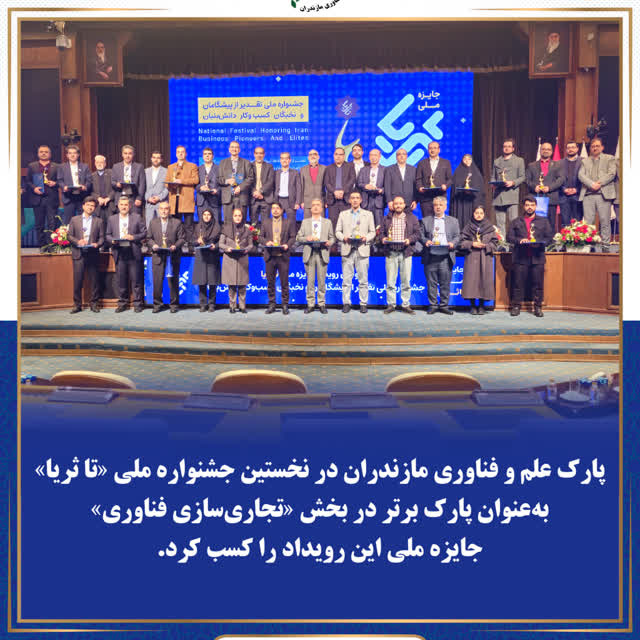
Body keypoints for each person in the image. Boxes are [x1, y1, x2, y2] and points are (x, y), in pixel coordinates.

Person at [506, 196, 554, 317]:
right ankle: (516, 306)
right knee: (518, 283)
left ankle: (538, 307)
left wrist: (539, 242)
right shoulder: (516, 221)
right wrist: (519, 240)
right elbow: (509, 237)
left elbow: (549, 238)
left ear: (536, 206)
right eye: (527, 205)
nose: (529, 207)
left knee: (538, 284)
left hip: (537, 257)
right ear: (523, 206)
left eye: (532, 205)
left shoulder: (544, 221)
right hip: (520, 257)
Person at [335, 191, 376, 314]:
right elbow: (337, 231)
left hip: (362, 249)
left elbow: (372, 232)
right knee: (346, 280)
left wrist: (366, 238)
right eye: (352, 198)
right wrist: (344, 238)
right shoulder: (343, 214)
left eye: (357, 198)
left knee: (363, 280)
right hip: (347, 249)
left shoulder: (368, 214)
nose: (355, 200)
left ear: (361, 200)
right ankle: (346, 303)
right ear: (349, 200)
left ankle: (363, 303)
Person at [106, 195, 147, 313]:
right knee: (121, 280)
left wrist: (133, 237)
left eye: (126, 205)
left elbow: (144, 233)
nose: (124, 207)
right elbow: (107, 235)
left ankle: (138, 304)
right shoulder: (112, 219)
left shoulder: (137, 217)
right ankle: (122, 303)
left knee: (136, 280)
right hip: (119, 252)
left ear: (129, 206)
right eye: (121, 205)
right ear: (118, 206)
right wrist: (112, 240)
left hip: (133, 252)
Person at [380, 196, 420, 314]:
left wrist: (410, 240)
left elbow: (418, 233)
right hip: (391, 252)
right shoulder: (387, 218)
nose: (398, 205)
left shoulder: (412, 218)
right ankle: (391, 305)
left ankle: (405, 304)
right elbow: (381, 233)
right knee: (390, 281)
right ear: (393, 205)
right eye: (396, 204)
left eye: (400, 203)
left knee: (406, 281)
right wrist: (383, 238)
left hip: (405, 252)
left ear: (404, 205)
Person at [421, 195, 460, 315]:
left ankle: (444, 305)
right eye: (436, 205)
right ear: (433, 207)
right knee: (431, 283)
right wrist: (426, 241)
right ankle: (432, 305)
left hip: (446, 256)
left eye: (440, 205)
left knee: (445, 283)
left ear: (445, 207)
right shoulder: (425, 220)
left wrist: (453, 243)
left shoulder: (453, 221)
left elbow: (457, 236)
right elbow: (421, 235)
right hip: (431, 256)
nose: (438, 207)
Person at [578, 137, 617, 252]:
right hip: (588, 195)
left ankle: (606, 247)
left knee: (605, 221)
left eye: (597, 146)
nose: (595, 148)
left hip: (603, 195)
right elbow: (581, 175)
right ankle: (589, 246)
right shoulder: (585, 161)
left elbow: (611, 174)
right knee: (588, 222)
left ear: (602, 147)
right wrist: (591, 184)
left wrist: (599, 184)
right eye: (593, 146)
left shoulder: (610, 158)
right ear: (590, 148)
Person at [296, 198, 335, 314]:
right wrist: (306, 238)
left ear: (322, 208)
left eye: (318, 205)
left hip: (322, 252)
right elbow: (298, 238)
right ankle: (311, 304)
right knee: (310, 281)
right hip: (310, 252)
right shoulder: (305, 222)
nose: (316, 207)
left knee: (322, 281)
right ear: (311, 208)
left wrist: (329, 242)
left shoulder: (327, 222)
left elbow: (332, 237)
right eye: (313, 205)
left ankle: (321, 304)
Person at [146, 200, 185, 314]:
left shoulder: (177, 222)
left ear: (169, 210)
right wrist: (153, 245)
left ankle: (174, 305)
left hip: (172, 256)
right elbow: (148, 238)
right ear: (159, 210)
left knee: (173, 282)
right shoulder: (153, 222)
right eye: (161, 209)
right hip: (158, 256)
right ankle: (157, 304)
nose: (164, 211)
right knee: (157, 282)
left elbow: (182, 238)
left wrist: (175, 246)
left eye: (166, 209)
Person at [459, 205, 498, 315]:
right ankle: (472, 306)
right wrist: (472, 244)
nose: (479, 215)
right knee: (471, 281)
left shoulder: (489, 227)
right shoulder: (468, 227)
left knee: (484, 280)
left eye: (481, 213)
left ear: (484, 214)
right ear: (473, 214)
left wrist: (486, 246)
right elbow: (461, 242)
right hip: (472, 256)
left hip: (485, 256)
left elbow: (495, 243)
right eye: (476, 213)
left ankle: (481, 306)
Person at [67, 197, 104, 313]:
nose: (90, 207)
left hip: (93, 253)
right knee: (78, 281)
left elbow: (102, 238)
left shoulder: (99, 221)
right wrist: (78, 241)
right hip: (79, 254)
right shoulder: (74, 219)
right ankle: (77, 305)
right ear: (83, 206)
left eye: (92, 206)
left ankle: (94, 304)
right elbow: (69, 236)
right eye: (88, 205)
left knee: (94, 281)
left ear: (95, 208)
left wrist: (97, 244)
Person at [259, 202, 297, 315]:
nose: (275, 210)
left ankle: (285, 305)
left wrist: (287, 245)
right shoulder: (266, 222)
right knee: (270, 282)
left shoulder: (288, 222)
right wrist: (266, 242)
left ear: (281, 210)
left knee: (284, 282)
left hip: (283, 256)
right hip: (270, 257)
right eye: (273, 208)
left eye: (277, 208)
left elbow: (293, 237)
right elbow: (260, 237)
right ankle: (272, 304)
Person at [219, 208, 252, 313]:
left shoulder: (247, 230)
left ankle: (242, 307)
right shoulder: (226, 228)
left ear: (242, 217)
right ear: (232, 217)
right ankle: (232, 306)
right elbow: (220, 244)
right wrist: (227, 248)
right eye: (235, 216)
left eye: (239, 216)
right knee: (231, 284)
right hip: (230, 258)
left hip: (242, 258)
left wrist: (246, 249)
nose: (237, 218)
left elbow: (251, 245)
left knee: (242, 284)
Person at [26, 144, 59, 247]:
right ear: (38, 154)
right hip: (37, 199)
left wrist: (55, 183)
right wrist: (34, 188)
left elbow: (61, 181)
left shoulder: (57, 166)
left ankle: (51, 245)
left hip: (51, 199)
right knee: (39, 224)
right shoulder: (32, 166)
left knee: (52, 224)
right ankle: (42, 246)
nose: (43, 153)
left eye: (46, 152)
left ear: (50, 154)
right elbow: (28, 181)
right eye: (41, 152)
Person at [491, 138, 525, 240]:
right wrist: (493, 183)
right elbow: (493, 176)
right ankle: (502, 243)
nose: (506, 148)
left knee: (513, 222)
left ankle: (513, 242)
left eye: (509, 146)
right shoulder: (497, 161)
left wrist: (513, 182)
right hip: (499, 196)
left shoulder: (519, 160)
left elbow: (522, 177)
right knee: (500, 223)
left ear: (513, 148)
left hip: (512, 195)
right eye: (505, 146)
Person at [525, 141, 563, 227]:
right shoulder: (531, 165)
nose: (546, 151)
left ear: (552, 151)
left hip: (551, 198)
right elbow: (526, 179)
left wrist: (549, 188)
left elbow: (561, 180)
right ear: (540, 150)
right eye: (544, 149)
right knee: (536, 224)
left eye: (548, 149)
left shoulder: (558, 165)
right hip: (536, 199)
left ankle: (550, 237)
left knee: (551, 224)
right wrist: (534, 187)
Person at [166, 145, 198, 246]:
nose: (180, 153)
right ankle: (176, 247)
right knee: (176, 226)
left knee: (188, 226)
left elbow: (195, 180)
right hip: (174, 200)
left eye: (182, 152)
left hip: (187, 200)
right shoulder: (171, 167)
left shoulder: (192, 166)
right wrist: (172, 185)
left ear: (186, 154)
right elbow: (166, 183)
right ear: (176, 154)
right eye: (178, 152)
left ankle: (190, 247)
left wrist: (181, 181)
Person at [192, 208, 221, 312]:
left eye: (209, 214)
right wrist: (197, 241)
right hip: (201, 256)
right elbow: (192, 241)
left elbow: (221, 241)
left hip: (212, 255)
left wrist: (215, 246)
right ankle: (203, 304)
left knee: (212, 281)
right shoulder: (197, 227)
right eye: (204, 214)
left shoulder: (217, 227)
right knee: (202, 281)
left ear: (212, 216)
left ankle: (212, 304)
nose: (206, 216)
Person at [218, 141, 254, 222]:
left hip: (241, 197)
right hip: (227, 198)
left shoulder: (246, 162)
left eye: (236, 147)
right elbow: (219, 179)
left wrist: (240, 187)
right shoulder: (222, 162)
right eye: (232, 147)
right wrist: (227, 181)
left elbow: (250, 178)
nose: (234, 149)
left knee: (242, 221)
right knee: (227, 222)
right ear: (229, 149)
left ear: (239, 150)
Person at [416, 141, 452, 217]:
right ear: (428, 150)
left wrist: (446, 186)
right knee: (427, 221)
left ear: (439, 150)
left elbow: (450, 179)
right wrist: (419, 187)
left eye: (435, 148)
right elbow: (418, 179)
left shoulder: (446, 162)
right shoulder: (421, 163)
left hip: (440, 196)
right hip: (426, 198)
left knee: (439, 220)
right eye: (430, 148)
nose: (432, 150)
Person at [58, 144, 92, 224]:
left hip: (82, 198)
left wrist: (85, 186)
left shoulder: (85, 166)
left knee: (83, 222)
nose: (72, 155)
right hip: (68, 198)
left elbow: (89, 180)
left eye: (74, 153)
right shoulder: (62, 167)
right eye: (70, 153)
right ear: (67, 155)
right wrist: (64, 187)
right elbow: (59, 180)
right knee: (68, 222)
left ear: (78, 155)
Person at [450, 153, 485, 230]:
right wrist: (463, 190)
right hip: (461, 201)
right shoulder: (457, 172)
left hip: (472, 201)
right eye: (465, 159)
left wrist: (472, 191)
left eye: (469, 159)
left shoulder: (476, 173)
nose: (467, 161)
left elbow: (480, 187)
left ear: (472, 160)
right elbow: (454, 187)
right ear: (462, 160)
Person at [324, 148, 356, 230]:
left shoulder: (350, 167)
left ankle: (345, 238)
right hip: (332, 200)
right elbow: (327, 183)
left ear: (344, 156)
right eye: (336, 154)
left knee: (346, 222)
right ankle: (334, 238)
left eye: (340, 154)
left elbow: (352, 180)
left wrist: (343, 191)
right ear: (333, 156)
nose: (338, 156)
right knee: (333, 222)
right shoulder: (328, 168)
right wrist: (334, 192)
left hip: (346, 200)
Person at [111, 144, 146, 215]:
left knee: (135, 219)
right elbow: (112, 181)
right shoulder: (116, 166)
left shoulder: (139, 167)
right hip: (120, 198)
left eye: (130, 153)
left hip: (134, 199)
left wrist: (139, 198)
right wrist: (117, 184)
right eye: (125, 153)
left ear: (133, 155)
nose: (127, 156)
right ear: (122, 154)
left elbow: (142, 184)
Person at [357, 148, 386, 227]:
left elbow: (388, 185)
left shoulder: (385, 170)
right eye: (371, 155)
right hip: (366, 201)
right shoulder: (363, 170)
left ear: (380, 157)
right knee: (364, 225)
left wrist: (382, 190)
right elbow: (359, 183)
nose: (373, 157)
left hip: (378, 201)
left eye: (375, 155)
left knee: (378, 226)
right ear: (369, 157)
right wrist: (365, 186)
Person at [384, 147, 418, 216]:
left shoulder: (413, 169)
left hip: (409, 202)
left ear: (406, 156)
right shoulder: (389, 169)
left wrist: (415, 200)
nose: (401, 156)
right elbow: (387, 186)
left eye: (403, 154)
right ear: (396, 157)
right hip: (394, 203)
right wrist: (389, 200)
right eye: (399, 154)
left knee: (408, 221)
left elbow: (415, 186)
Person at [557, 140, 583, 228]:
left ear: (577, 149)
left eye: (573, 147)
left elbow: (586, 178)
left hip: (578, 196)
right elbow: (556, 179)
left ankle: (578, 237)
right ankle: (566, 237)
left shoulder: (583, 161)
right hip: (564, 196)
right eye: (568, 148)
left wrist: (577, 189)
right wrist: (564, 189)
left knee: (578, 223)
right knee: (565, 223)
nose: (570, 149)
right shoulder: (559, 163)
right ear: (566, 150)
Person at [250, 146, 275, 226]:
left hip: (266, 198)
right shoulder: (249, 165)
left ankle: (264, 235)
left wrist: (260, 192)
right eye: (257, 153)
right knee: (253, 224)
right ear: (254, 154)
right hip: (253, 198)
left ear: (264, 154)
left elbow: (270, 181)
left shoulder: (269, 166)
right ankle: (253, 235)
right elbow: (248, 181)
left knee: (266, 224)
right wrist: (255, 192)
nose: (259, 155)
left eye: (261, 153)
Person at [196, 147, 221, 225]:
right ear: (203, 156)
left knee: (216, 224)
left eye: (209, 154)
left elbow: (222, 184)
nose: (207, 156)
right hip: (201, 201)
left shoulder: (219, 168)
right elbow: (195, 184)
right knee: (201, 224)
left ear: (213, 156)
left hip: (214, 200)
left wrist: (217, 190)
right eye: (205, 154)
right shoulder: (198, 169)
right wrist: (200, 187)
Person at [144, 151, 168, 229]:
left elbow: (168, 188)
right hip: (149, 204)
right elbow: (142, 187)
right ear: (151, 159)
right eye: (154, 157)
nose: (156, 159)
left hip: (161, 203)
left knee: (162, 227)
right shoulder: (145, 171)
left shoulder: (167, 171)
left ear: (161, 160)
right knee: (149, 226)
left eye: (158, 158)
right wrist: (148, 198)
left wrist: (159, 197)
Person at [91, 155, 116, 229]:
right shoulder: (91, 176)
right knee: (99, 228)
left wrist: (108, 198)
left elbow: (117, 188)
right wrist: (98, 198)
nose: (99, 164)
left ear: (105, 164)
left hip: (110, 205)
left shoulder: (112, 173)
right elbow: (90, 191)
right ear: (95, 164)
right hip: (98, 206)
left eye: (101, 162)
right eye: (97, 162)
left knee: (111, 228)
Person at [274, 152, 301, 221]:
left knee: (291, 223)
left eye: (286, 158)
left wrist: (297, 202)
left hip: (291, 201)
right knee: (279, 222)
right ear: (280, 160)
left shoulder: (295, 173)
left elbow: (298, 188)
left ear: (290, 160)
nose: (284, 160)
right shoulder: (276, 173)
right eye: (282, 158)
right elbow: (273, 187)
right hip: (278, 200)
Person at [300, 149, 326, 219]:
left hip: (320, 202)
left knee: (321, 223)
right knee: (307, 223)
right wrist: (301, 201)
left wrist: (326, 201)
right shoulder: (303, 169)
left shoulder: (324, 168)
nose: (312, 156)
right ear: (308, 157)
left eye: (314, 154)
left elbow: (327, 186)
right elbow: (301, 186)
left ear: (318, 157)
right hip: (307, 202)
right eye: (310, 155)